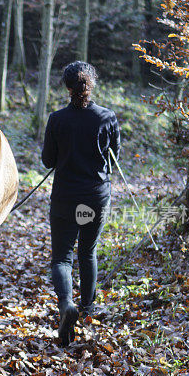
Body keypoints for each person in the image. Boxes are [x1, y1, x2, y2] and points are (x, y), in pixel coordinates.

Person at [41, 62, 120, 345]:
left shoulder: (57, 119)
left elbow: (48, 161)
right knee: (87, 251)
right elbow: (114, 158)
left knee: (62, 257)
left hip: (65, 199)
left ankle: (66, 305)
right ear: (92, 84)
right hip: (93, 200)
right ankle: (87, 306)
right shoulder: (107, 118)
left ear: (67, 87)